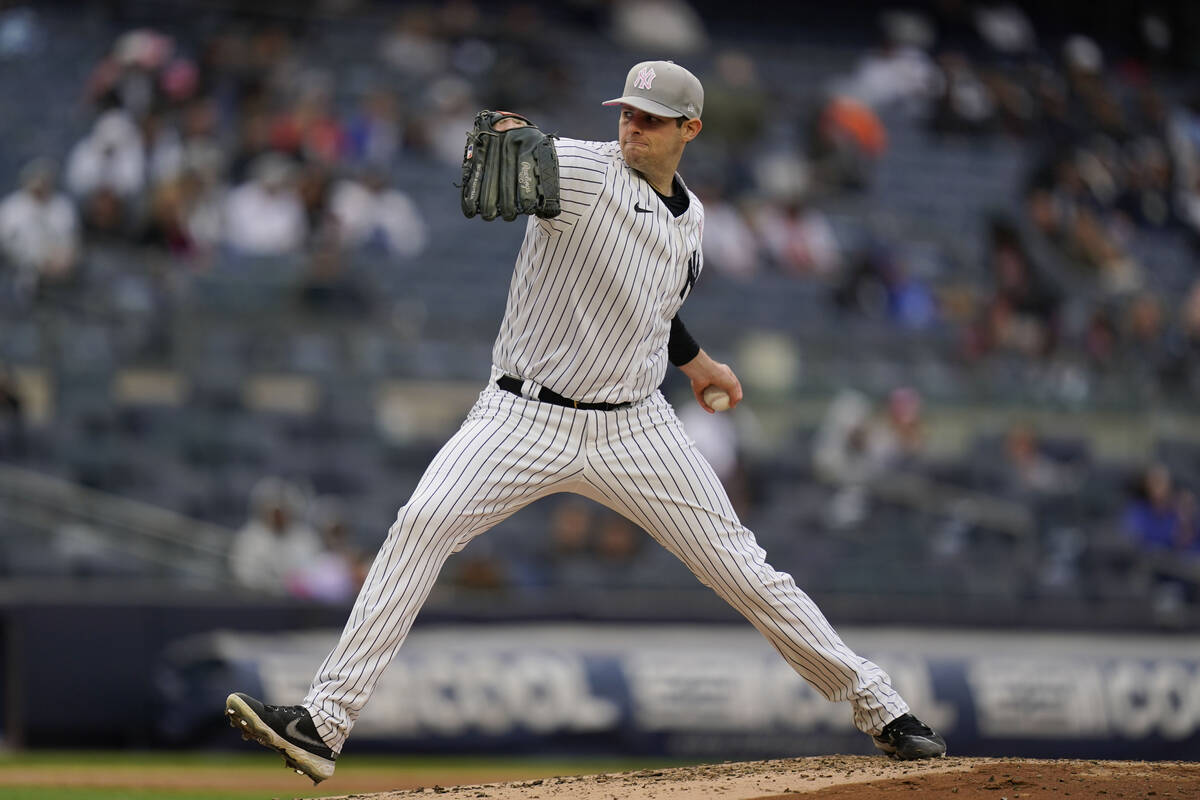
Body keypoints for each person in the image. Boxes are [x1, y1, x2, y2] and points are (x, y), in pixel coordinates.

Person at [225, 60, 946, 784]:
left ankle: (881, 708)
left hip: (636, 427)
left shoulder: (692, 218)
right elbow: (529, 149)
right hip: (520, 416)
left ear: (690, 130)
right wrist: (512, 128)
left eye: (651, 118)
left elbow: (652, 305)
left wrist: (700, 366)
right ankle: (323, 723)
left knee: (745, 570)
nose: (632, 125)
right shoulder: (584, 171)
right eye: (627, 111)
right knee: (421, 526)